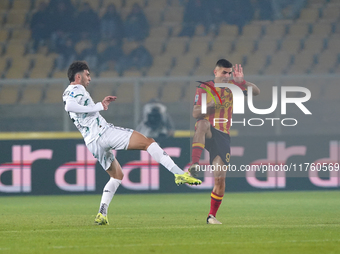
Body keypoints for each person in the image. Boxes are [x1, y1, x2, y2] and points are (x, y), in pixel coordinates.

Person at [62, 61, 201, 225]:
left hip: (92, 142)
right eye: (87, 74)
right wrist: (99, 106)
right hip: (103, 133)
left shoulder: (68, 92)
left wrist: (98, 105)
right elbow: (69, 107)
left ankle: (102, 213)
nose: (89, 78)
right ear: (78, 76)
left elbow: (75, 107)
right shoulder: (76, 89)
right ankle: (179, 173)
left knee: (117, 175)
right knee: (148, 142)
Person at [188, 59, 260, 224]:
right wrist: (212, 104)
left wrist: (243, 82)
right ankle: (194, 164)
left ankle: (211, 216)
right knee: (202, 123)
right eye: (224, 73)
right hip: (207, 131)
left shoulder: (234, 86)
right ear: (216, 72)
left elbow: (256, 92)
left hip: (223, 135)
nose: (227, 76)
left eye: (229, 73)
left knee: (220, 179)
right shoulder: (204, 88)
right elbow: (195, 113)